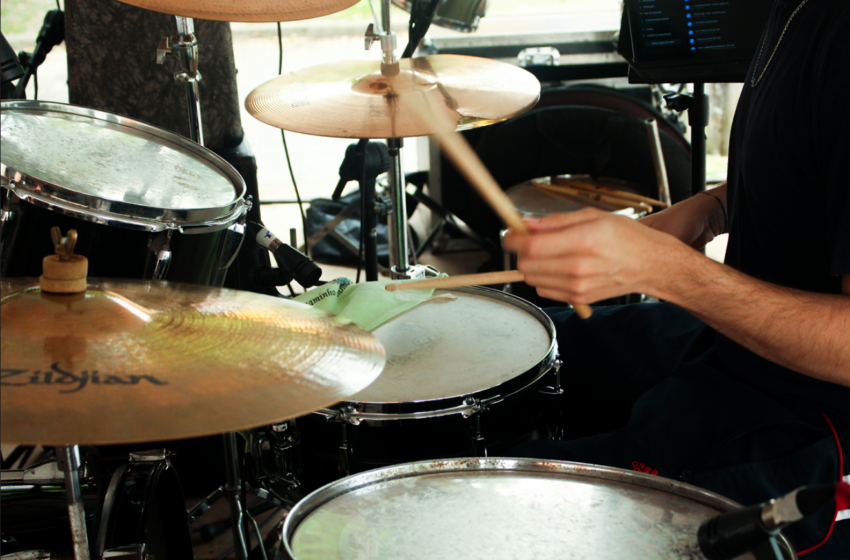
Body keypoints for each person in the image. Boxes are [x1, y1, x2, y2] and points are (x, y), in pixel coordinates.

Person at [503, 0, 849, 556]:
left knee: (494, 504)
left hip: (811, 420)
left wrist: (667, 271)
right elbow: (814, 157)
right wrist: (714, 208)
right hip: (734, 342)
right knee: (519, 344)